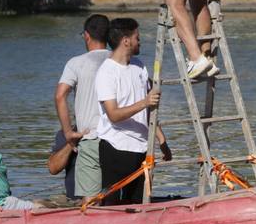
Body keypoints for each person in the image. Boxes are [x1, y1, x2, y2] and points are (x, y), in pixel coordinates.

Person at [95, 17, 170, 205]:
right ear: (125, 41)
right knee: (112, 204)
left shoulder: (139, 66)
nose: (140, 41)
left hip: (142, 148)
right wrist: (144, 102)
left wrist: (161, 140)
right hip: (115, 147)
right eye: (137, 37)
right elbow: (113, 115)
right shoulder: (106, 72)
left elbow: (149, 108)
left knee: (139, 203)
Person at [55, 13, 110, 199]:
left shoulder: (76, 63)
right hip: (121, 138)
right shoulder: (123, 61)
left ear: (86, 35)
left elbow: (60, 96)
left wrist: (68, 133)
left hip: (91, 137)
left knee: (91, 201)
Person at [47, 128, 83, 200]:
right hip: (74, 201)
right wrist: (72, 142)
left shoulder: (107, 131)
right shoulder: (65, 133)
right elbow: (53, 168)